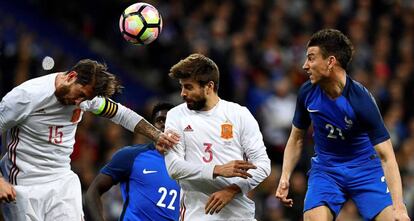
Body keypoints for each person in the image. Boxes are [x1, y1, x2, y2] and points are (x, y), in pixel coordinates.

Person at [0, 59, 179, 221]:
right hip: (24, 184)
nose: (80, 102)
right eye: (80, 95)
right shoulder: (25, 97)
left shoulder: (86, 98)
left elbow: (122, 115)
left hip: (61, 181)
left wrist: (157, 135)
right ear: (71, 76)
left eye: (86, 99)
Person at [274, 29, 410, 221]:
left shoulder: (361, 100)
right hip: (327, 170)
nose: (305, 66)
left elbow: (387, 156)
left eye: (311, 58)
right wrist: (285, 176)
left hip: (365, 170)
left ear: (330, 61)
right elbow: (296, 139)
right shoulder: (307, 93)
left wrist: (399, 207)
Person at [164, 53, 271, 220]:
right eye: (182, 87)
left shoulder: (239, 114)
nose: (182, 94)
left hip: (239, 215)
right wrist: (217, 170)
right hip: (198, 214)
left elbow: (263, 164)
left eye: (189, 87)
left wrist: (233, 190)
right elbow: (174, 168)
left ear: (209, 86)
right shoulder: (176, 116)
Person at [85, 102, 180, 221]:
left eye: (170, 121)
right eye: (160, 120)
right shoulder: (131, 156)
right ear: (152, 127)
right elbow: (93, 191)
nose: (164, 125)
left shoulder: (188, 165)